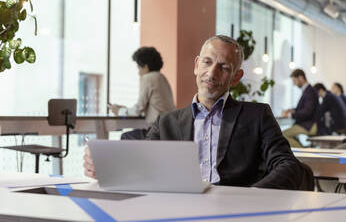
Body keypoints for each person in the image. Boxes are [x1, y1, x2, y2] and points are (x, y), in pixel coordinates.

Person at [84, 35, 304, 190]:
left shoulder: (257, 116)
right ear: (197, 65)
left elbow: (288, 166)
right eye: (207, 62)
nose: (212, 73)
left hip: (236, 212)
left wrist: (251, 195)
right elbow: (143, 166)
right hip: (180, 210)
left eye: (224, 67)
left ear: (236, 78)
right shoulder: (166, 122)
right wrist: (106, 168)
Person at [109, 47, 176, 139]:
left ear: (146, 67)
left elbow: (137, 110)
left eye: (139, 68)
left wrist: (119, 111)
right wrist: (126, 109)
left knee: (125, 137)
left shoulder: (148, 78)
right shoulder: (161, 78)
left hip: (157, 132)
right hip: (169, 130)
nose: (138, 72)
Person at [281, 69, 319, 148]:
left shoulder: (309, 91)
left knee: (283, 135)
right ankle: (303, 150)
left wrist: (290, 115)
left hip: (309, 125)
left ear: (300, 77)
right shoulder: (307, 90)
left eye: (294, 81)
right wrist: (293, 110)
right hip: (306, 123)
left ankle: (302, 153)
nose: (294, 84)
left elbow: (307, 112)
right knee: (290, 135)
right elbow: (306, 108)